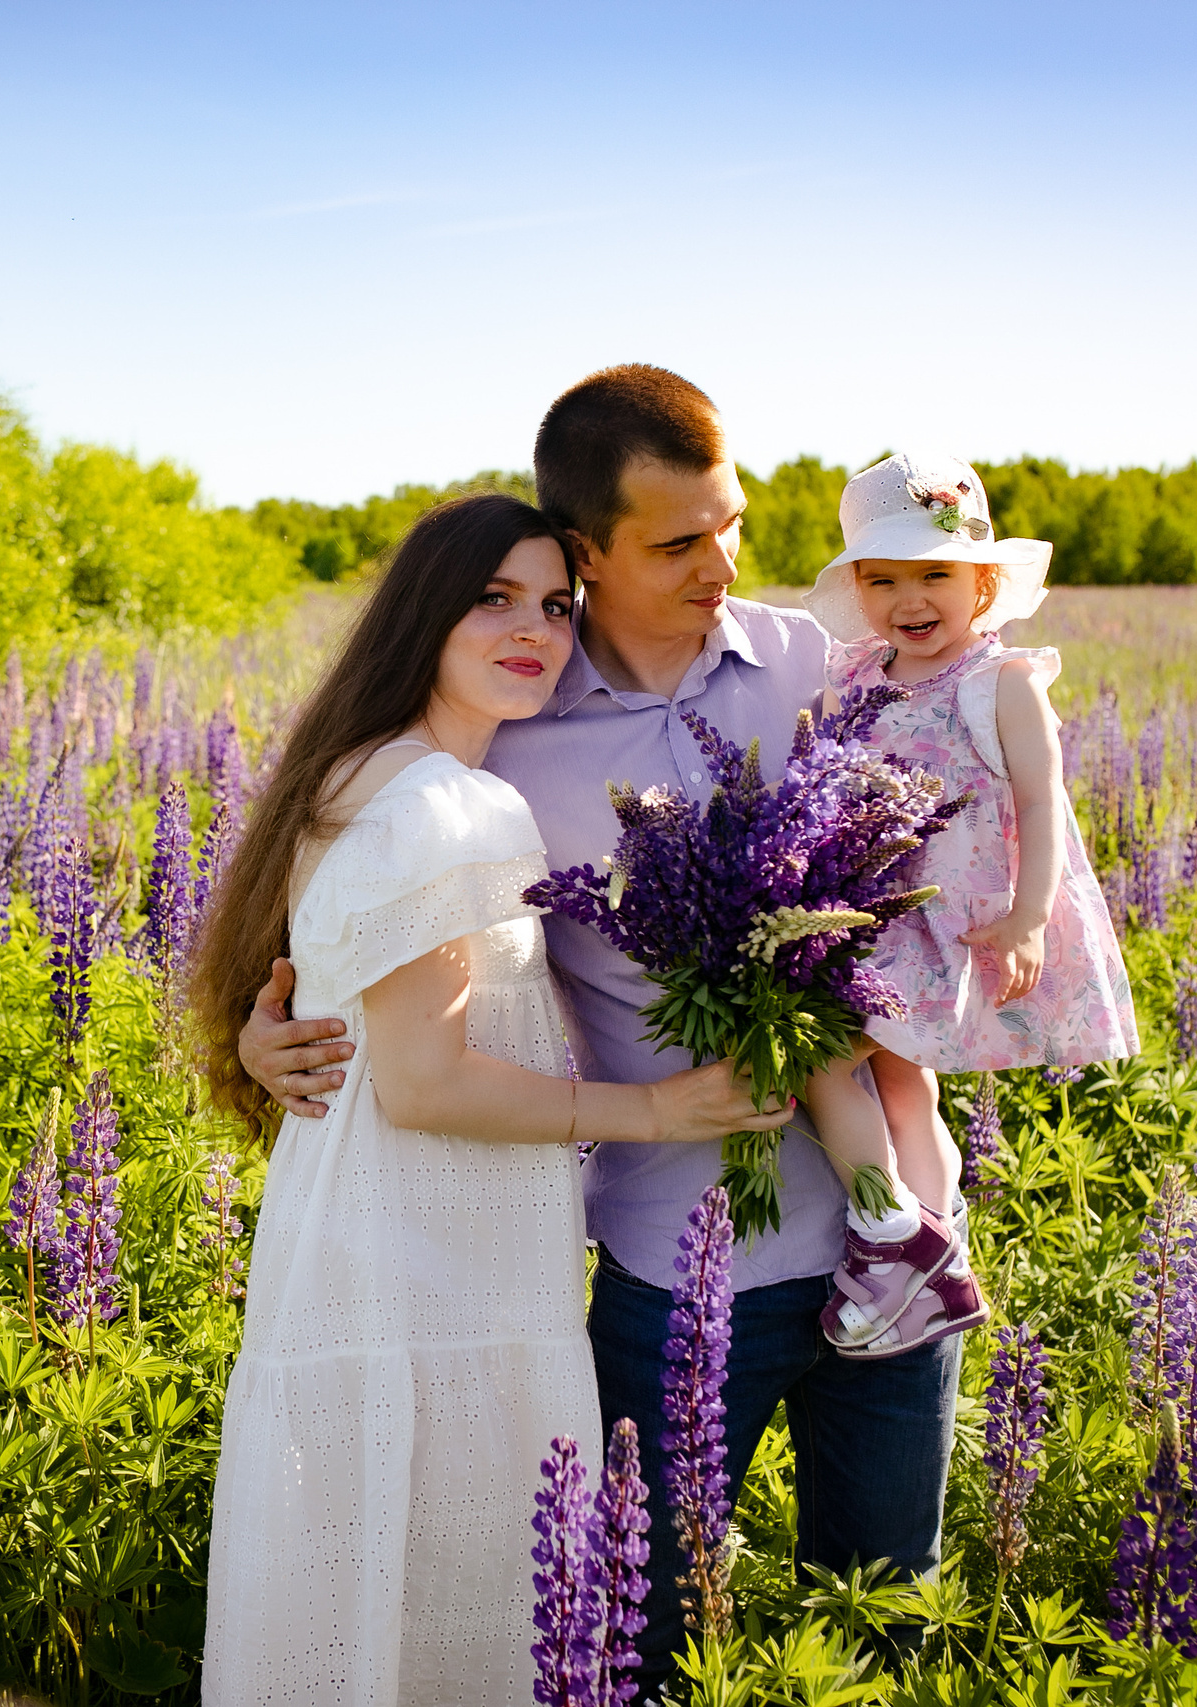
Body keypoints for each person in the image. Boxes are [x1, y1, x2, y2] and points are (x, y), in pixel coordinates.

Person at [237, 367, 966, 1693]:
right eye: (679, 540)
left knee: (881, 1636)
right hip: (670, 1259)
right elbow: (359, 892)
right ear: (591, 550)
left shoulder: (818, 662)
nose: (722, 561)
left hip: (894, 1237)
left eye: (731, 522)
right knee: (649, 1653)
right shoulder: (502, 729)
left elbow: (966, 841)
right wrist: (262, 1024)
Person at [194, 492, 792, 1705]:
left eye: (557, 607)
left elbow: (339, 1015)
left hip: (365, 1243)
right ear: (427, 612)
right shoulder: (443, 807)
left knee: (369, 1609)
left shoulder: (363, 773)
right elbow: (423, 1082)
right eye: (493, 600)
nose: (534, 630)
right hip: (432, 1260)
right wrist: (660, 1112)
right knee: (457, 1615)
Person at [794, 453, 1141, 1356]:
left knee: (822, 1053)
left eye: (935, 573)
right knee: (902, 1085)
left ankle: (893, 1233)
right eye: (884, 578)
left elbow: (1039, 803)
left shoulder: (1004, 682)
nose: (911, 598)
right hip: (876, 914)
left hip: (956, 924)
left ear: (983, 580)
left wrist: (1030, 916)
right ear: (858, 588)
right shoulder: (859, 674)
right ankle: (933, 1253)